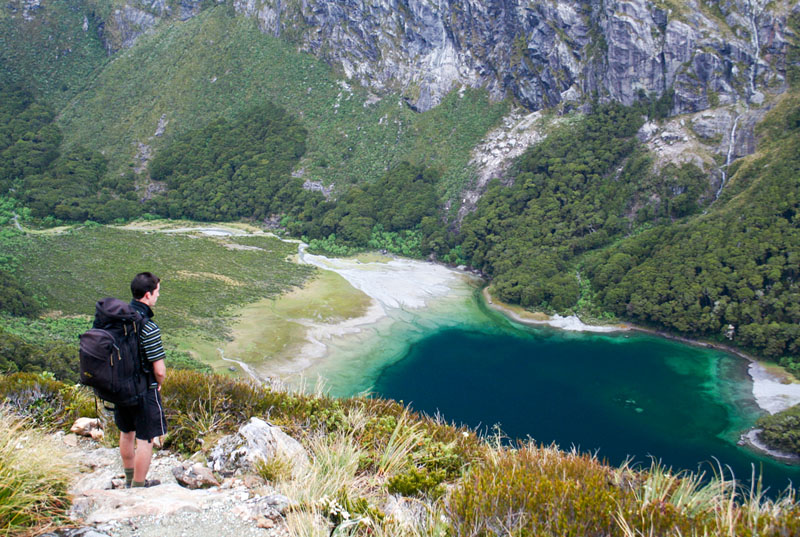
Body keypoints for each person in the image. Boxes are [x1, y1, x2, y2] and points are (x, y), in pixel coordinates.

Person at [116, 272, 167, 488]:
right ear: (147, 295)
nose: (157, 297)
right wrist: (159, 382)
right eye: (156, 292)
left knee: (126, 432)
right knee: (145, 439)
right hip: (143, 388)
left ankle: (128, 479)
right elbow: (160, 369)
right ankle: (138, 485)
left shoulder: (117, 319)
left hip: (119, 386)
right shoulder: (148, 326)